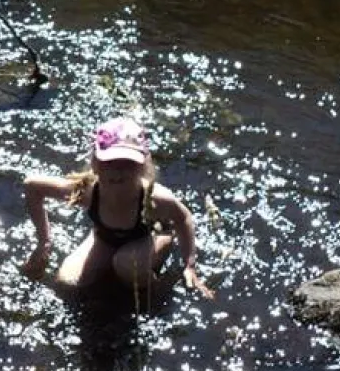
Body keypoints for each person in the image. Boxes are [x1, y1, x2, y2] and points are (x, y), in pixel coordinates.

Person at [20, 116, 216, 298]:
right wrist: (44, 242)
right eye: (108, 163)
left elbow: (183, 218)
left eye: (127, 164)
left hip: (150, 236)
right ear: (95, 163)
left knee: (126, 266)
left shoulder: (153, 197)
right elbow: (32, 186)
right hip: (105, 239)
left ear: (143, 166)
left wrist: (189, 265)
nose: (117, 172)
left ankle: (157, 292)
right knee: (67, 282)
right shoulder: (87, 192)